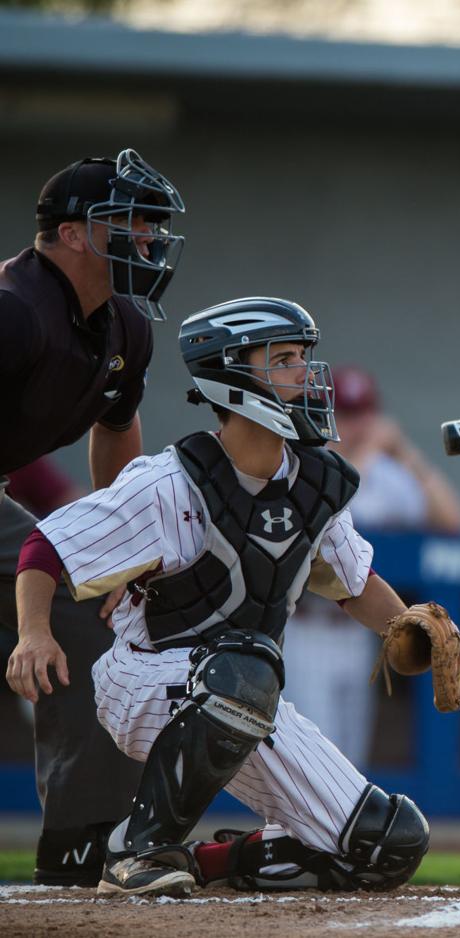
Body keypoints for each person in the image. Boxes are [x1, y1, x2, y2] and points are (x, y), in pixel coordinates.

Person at [4, 298, 460, 897]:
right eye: (285, 359)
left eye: (304, 356)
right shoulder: (169, 481)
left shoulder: (315, 482)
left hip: (247, 690)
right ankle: (136, 850)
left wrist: (406, 624)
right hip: (142, 679)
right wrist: (34, 632)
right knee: (244, 668)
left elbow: (354, 586)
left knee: (388, 844)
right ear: (231, 374)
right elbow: (47, 546)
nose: (305, 373)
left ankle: (214, 861)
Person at [0, 149, 184, 886]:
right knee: (72, 613)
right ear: (75, 234)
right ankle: (88, 841)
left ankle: (82, 845)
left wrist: (118, 543)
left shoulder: (124, 329)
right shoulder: (14, 310)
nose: (149, 237)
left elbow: (116, 427)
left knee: (93, 625)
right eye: (132, 221)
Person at [281, 366, 460, 765]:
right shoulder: (301, 463)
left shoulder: (387, 473)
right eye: (346, 413)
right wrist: (366, 453)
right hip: (305, 630)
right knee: (313, 761)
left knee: (350, 765)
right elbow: (338, 501)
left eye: (365, 412)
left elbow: (452, 521)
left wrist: (405, 453)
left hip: (361, 631)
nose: (358, 424)